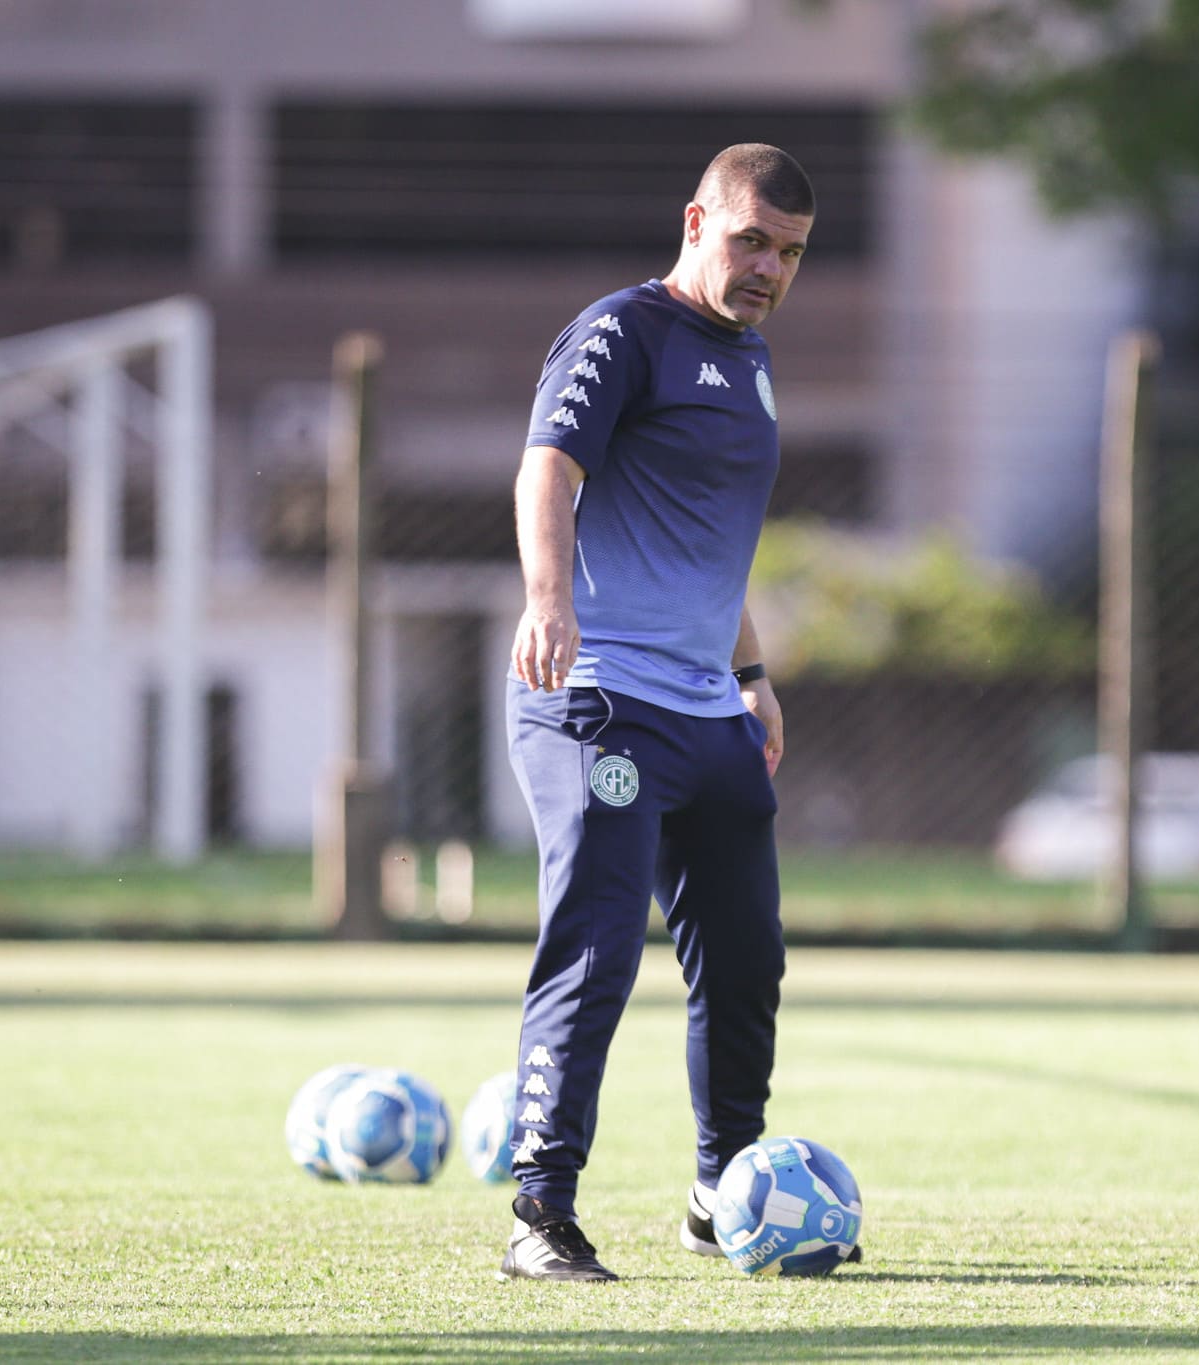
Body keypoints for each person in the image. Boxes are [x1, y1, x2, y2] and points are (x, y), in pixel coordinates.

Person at [497, 143, 813, 1282]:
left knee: (745, 957)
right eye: (750, 242)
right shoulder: (621, 332)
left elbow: (708, 544)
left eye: (788, 252)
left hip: (705, 709)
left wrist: (750, 673)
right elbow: (548, 471)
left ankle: (723, 1191)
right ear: (695, 223)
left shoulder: (755, 358)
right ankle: (540, 1213)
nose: (768, 267)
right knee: (595, 941)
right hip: (597, 703)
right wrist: (547, 604)